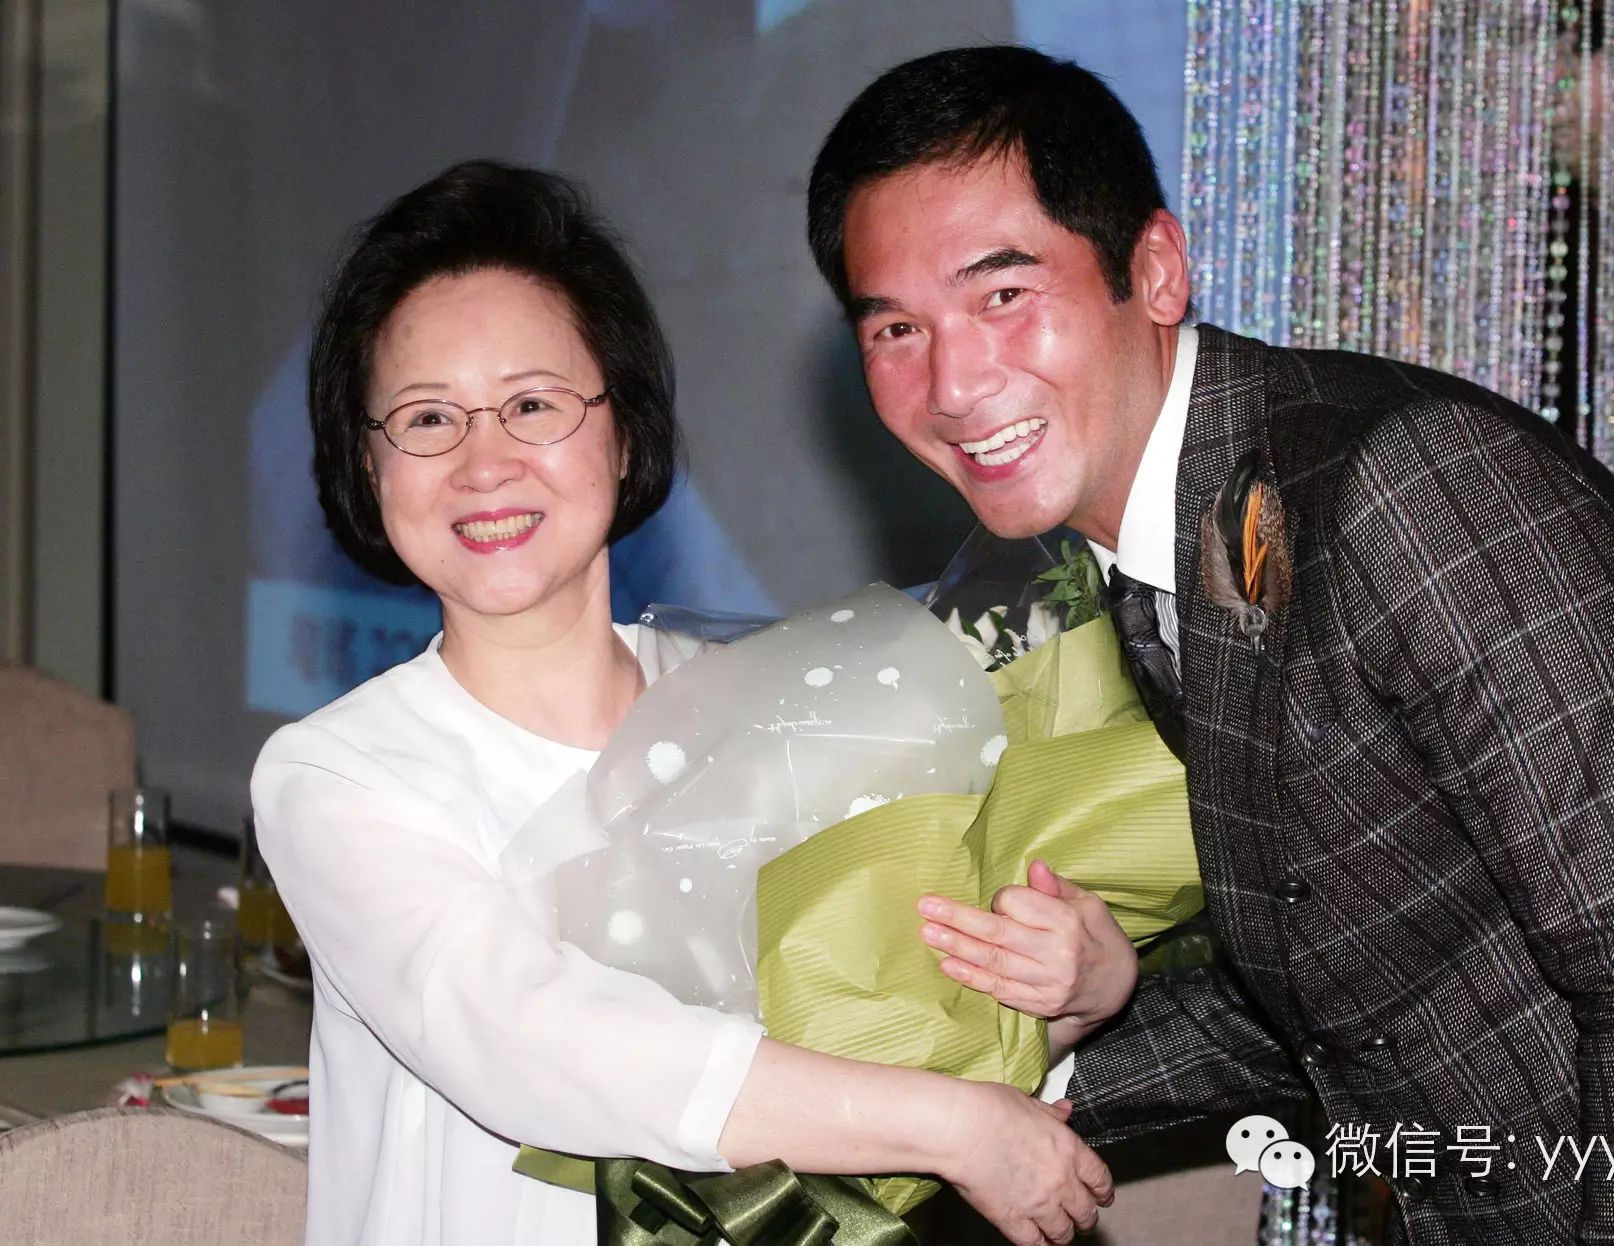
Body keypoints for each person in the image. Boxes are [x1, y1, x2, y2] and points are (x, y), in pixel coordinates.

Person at [806, 45, 1614, 1243]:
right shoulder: (1179, 545)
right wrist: (975, 1100)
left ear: (1155, 270)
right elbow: (1345, 988)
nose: (954, 383)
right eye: (895, 329)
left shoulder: (1408, 487)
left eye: (1003, 295)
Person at [252, 159, 1111, 1246]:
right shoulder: (337, 776)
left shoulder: (767, 706)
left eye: (533, 404)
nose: (484, 463)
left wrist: (1075, 987)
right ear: (368, 466)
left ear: (623, 432)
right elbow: (538, 1039)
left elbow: (893, 1021)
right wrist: (954, 1127)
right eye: (427, 419)